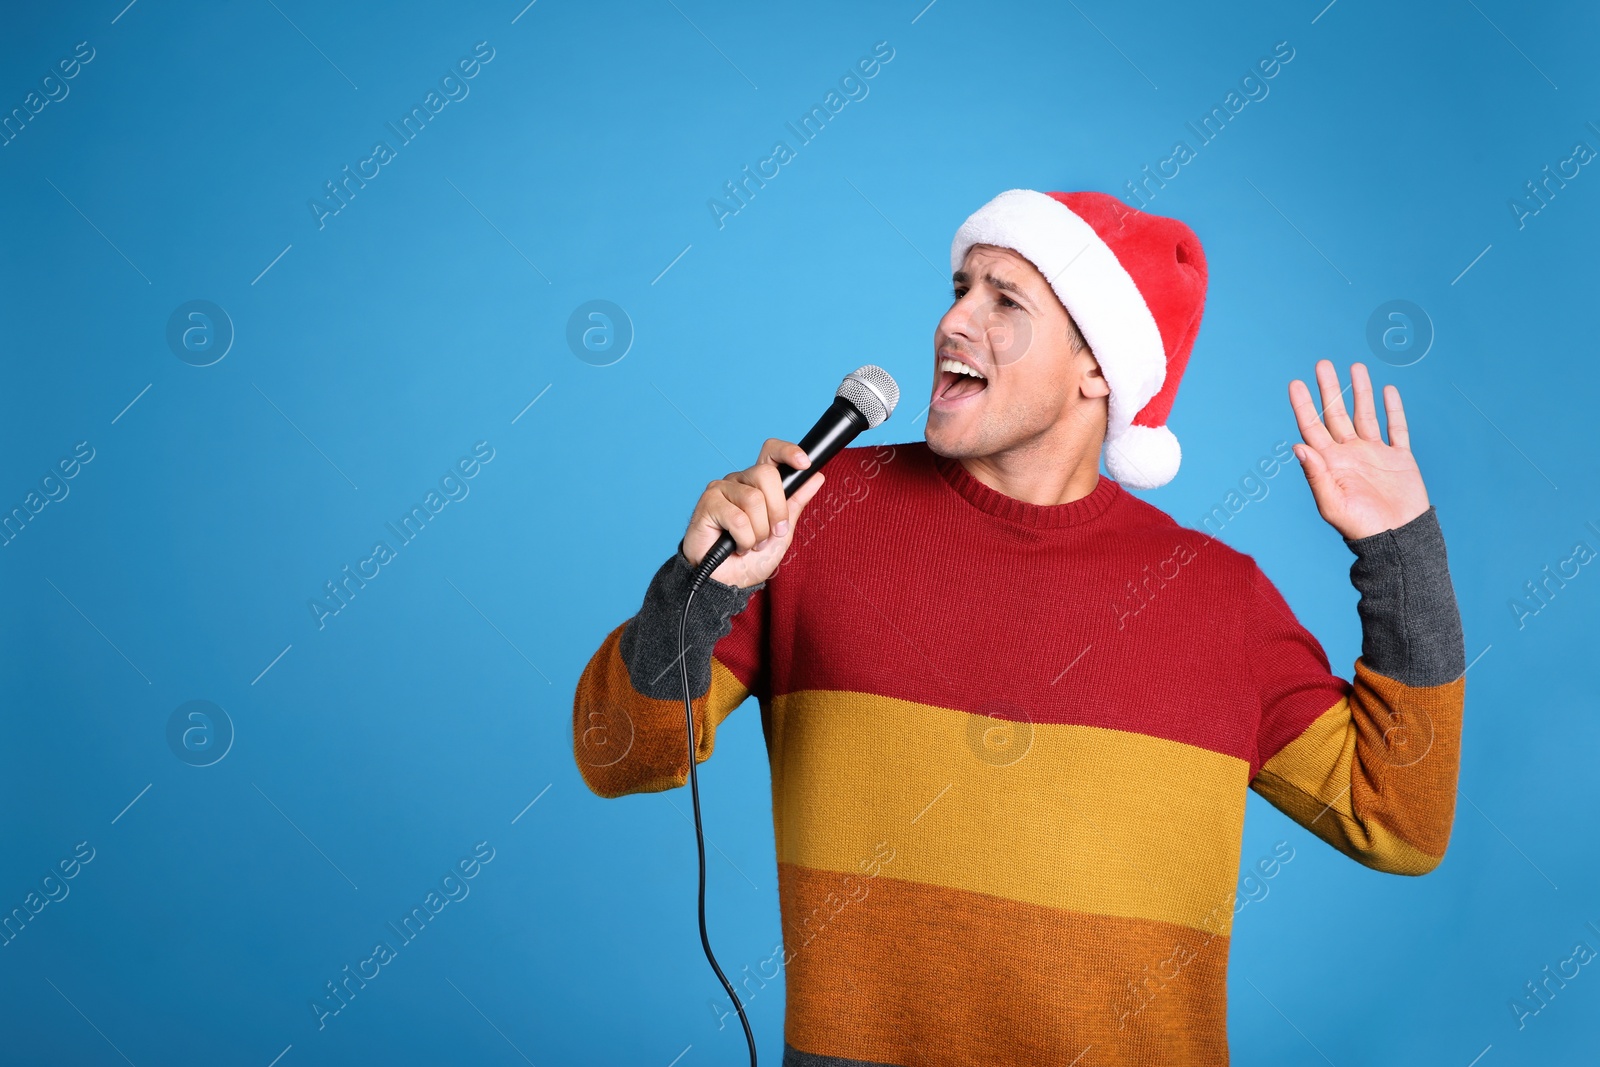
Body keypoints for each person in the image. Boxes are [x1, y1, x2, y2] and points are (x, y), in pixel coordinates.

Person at [571, 188, 1465, 1066]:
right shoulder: (811, 518)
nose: (954, 323)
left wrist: (1402, 554)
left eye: (1006, 301)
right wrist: (699, 587)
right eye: (960, 288)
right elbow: (619, 754)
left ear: (1097, 367)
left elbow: (1401, 823)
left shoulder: (1219, 599)